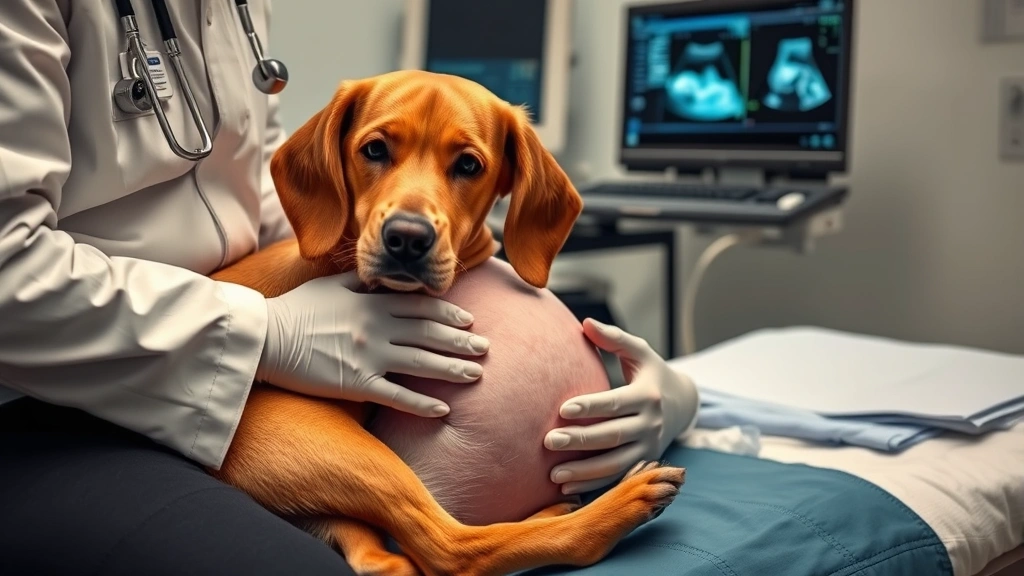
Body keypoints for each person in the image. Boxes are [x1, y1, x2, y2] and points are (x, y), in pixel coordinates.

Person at [0, 2, 698, 575]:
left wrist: (677, 400)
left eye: (465, 166)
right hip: (59, 397)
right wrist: (265, 332)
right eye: (377, 150)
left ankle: (366, 547)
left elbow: (251, 197)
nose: (411, 216)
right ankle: (449, 547)